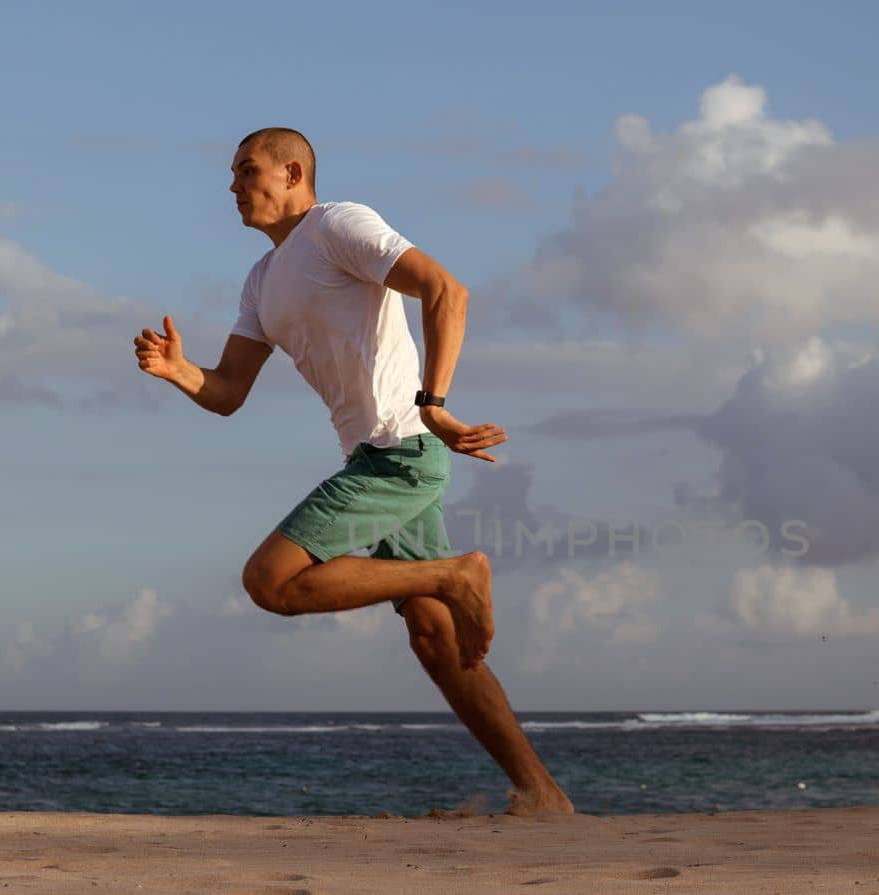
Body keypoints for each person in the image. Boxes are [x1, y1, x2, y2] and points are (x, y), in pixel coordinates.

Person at [132, 127, 573, 816]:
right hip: (374, 457)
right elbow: (228, 392)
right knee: (435, 638)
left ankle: (454, 573)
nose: (233, 186)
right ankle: (543, 794)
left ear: (292, 171)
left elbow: (445, 290)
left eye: (247, 170)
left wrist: (435, 405)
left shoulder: (338, 225)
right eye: (232, 174)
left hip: (402, 450)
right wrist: (177, 370)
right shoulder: (260, 282)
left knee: (268, 580)